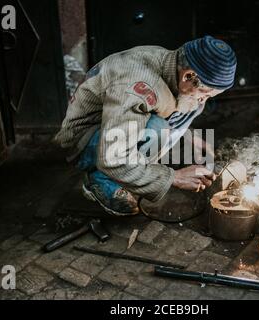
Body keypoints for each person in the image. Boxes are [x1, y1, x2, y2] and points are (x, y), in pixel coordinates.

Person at [54, 35, 237, 216]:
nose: (204, 99)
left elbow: (169, 104)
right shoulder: (137, 85)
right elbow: (113, 156)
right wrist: (174, 177)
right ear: (188, 75)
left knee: (191, 103)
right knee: (158, 129)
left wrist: (187, 134)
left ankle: (136, 170)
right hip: (84, 141)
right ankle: (100, 179)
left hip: (114, 123)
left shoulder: (170, 63)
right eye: (205, 93)